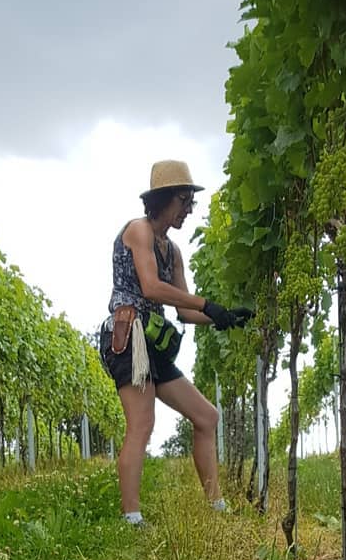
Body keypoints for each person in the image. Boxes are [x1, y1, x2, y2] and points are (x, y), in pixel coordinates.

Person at [99, 160, 251, 527]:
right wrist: (205, 304)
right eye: (184, 201)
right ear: (164, 200)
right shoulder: (138, 230)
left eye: (190, 203)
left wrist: (222, 316)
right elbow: (151, 287)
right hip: (129, 335)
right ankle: (131, 517)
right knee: (142, 423)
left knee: (206, 416)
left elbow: (183, 311)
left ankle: (216, 507)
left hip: (154, 340)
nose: (188, 210)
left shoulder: (174, 250)